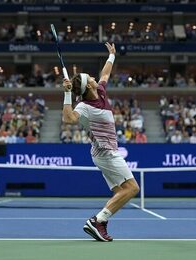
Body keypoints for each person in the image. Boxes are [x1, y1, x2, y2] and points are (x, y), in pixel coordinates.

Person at [61, 42, 139, 242]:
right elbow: (68, 119)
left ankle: (101, 224)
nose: (96, 78)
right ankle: (98, 220)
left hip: (102, 152)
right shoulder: (85, 106)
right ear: (89, 86)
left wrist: (112, 55)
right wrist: (68, 93)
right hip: (106, 152)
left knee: (120, 192)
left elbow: (105, 74)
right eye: (92, 78)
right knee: (132, 189)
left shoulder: (101, 91)